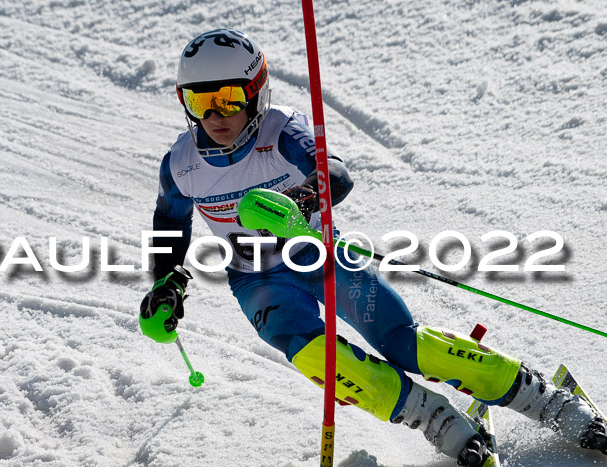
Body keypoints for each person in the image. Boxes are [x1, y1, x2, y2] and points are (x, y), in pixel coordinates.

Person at [139, 28, 606, 465]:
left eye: (227, 98)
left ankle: (543, 399)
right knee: (316, 355)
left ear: (256, 91)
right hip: (256, 281)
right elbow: (170, 221)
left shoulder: (281, 132)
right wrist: (166, 281)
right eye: (200, 100)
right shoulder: (181, 163)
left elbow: (336, 174)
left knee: (404, 344)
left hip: (317, 254)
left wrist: (298, 201)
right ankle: (437, 419)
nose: (215, 115)